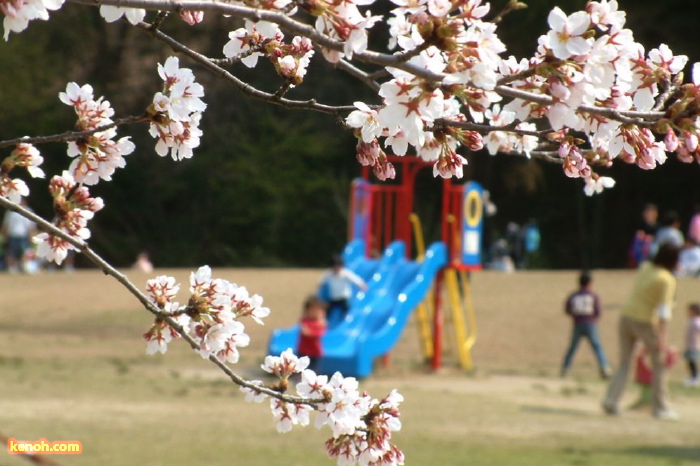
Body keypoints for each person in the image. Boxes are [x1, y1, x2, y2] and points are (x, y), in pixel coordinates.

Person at [602, 243, 680, 420]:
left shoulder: (645, 268)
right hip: (644, 320)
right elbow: (664, 312)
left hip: (626, 316)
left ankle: (611, 400)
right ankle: (660, 407)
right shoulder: (666, 279)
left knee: (624, 363)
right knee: (659, 362)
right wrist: (662, 337)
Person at [560, 271, 611, 379]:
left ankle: (565, 368)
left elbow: (567, 309)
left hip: (577, 323)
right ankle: (604, 367)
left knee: (573, 347)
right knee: (597, 346)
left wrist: (574, 316)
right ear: (590, 283)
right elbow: (598, 311)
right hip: (590, 323)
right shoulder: (593, 295)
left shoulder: (574, 295)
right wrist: (594, 318)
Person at [318, 255, 367, 324]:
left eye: (338, 267)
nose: (336, 269)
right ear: (331, 267)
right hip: (333, 298)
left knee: (346, 308)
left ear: (341, 266)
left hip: (343, 297)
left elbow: (354, 278)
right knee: (327, 308)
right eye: (334, 267)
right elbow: (322, 281)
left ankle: (346, 320)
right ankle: (324, 321)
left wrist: (361, 284)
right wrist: (320, 285)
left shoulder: (345, 273)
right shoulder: (328, 274)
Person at [1, 200, 36, 274]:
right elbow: (6, 225)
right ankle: (12, 267)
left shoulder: (27, 211)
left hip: (23, 235)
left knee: (24, 252)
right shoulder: (10, 212)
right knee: (12, 253)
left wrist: (31, 236)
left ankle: (24, 267)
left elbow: (30, 226)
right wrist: (5, 236)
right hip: (13, 235)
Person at [296, 295, 327, 373]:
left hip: (315, 352)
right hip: (303, 350)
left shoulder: (320, 323)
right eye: (312, 310)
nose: (315, 313)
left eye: (317, 311)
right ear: (307, 311)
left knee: (313, 370)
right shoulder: (305, 321)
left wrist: (310, 333)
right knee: (301, 369)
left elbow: (319, 333)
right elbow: (304, 332)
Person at [683, 303, 700, 387]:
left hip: (694, 346)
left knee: (692, 362)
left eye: (690, 311)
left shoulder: (696, 321)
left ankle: (695, 377)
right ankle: (693, 376)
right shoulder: (692, 321)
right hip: (690, 345)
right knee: (690, 362)